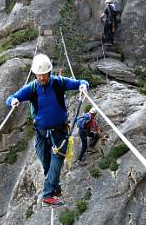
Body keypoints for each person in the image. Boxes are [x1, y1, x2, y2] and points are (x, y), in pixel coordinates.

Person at [6, 54, 89, 207]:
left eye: (44, 74)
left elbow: (80, 83)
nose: (42, 77)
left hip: (60, 133)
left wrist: (84, 86)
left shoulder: (59, 83)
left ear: (49, 73)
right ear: (35, 75)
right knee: (46, 166)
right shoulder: (31, 88)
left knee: (56, 164)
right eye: (39, 75)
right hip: (42, 134)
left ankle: (48, 195)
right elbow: (11, 97)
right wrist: (13, 101)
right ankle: (55, 187)